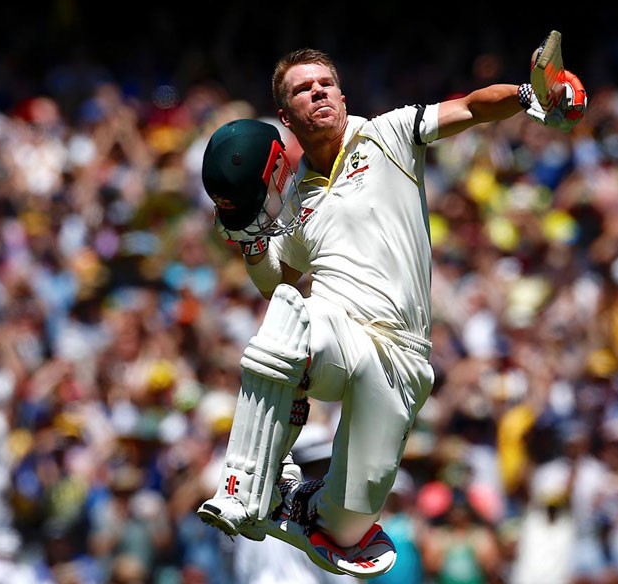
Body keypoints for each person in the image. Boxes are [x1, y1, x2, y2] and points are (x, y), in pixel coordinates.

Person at [196, 44, 587, 578]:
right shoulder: (291, 202)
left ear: (341, 94)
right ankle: (249, 480)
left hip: (403, 357)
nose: (318, 92)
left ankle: (304, 506)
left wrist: (527, 95)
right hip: (339, 330)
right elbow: (278, 289)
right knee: (291, 319)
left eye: (325, 84)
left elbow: (472, 107)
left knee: (348, 532)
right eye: (302, 90)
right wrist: (252, 243)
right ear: (286, 117)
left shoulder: (389, 134)